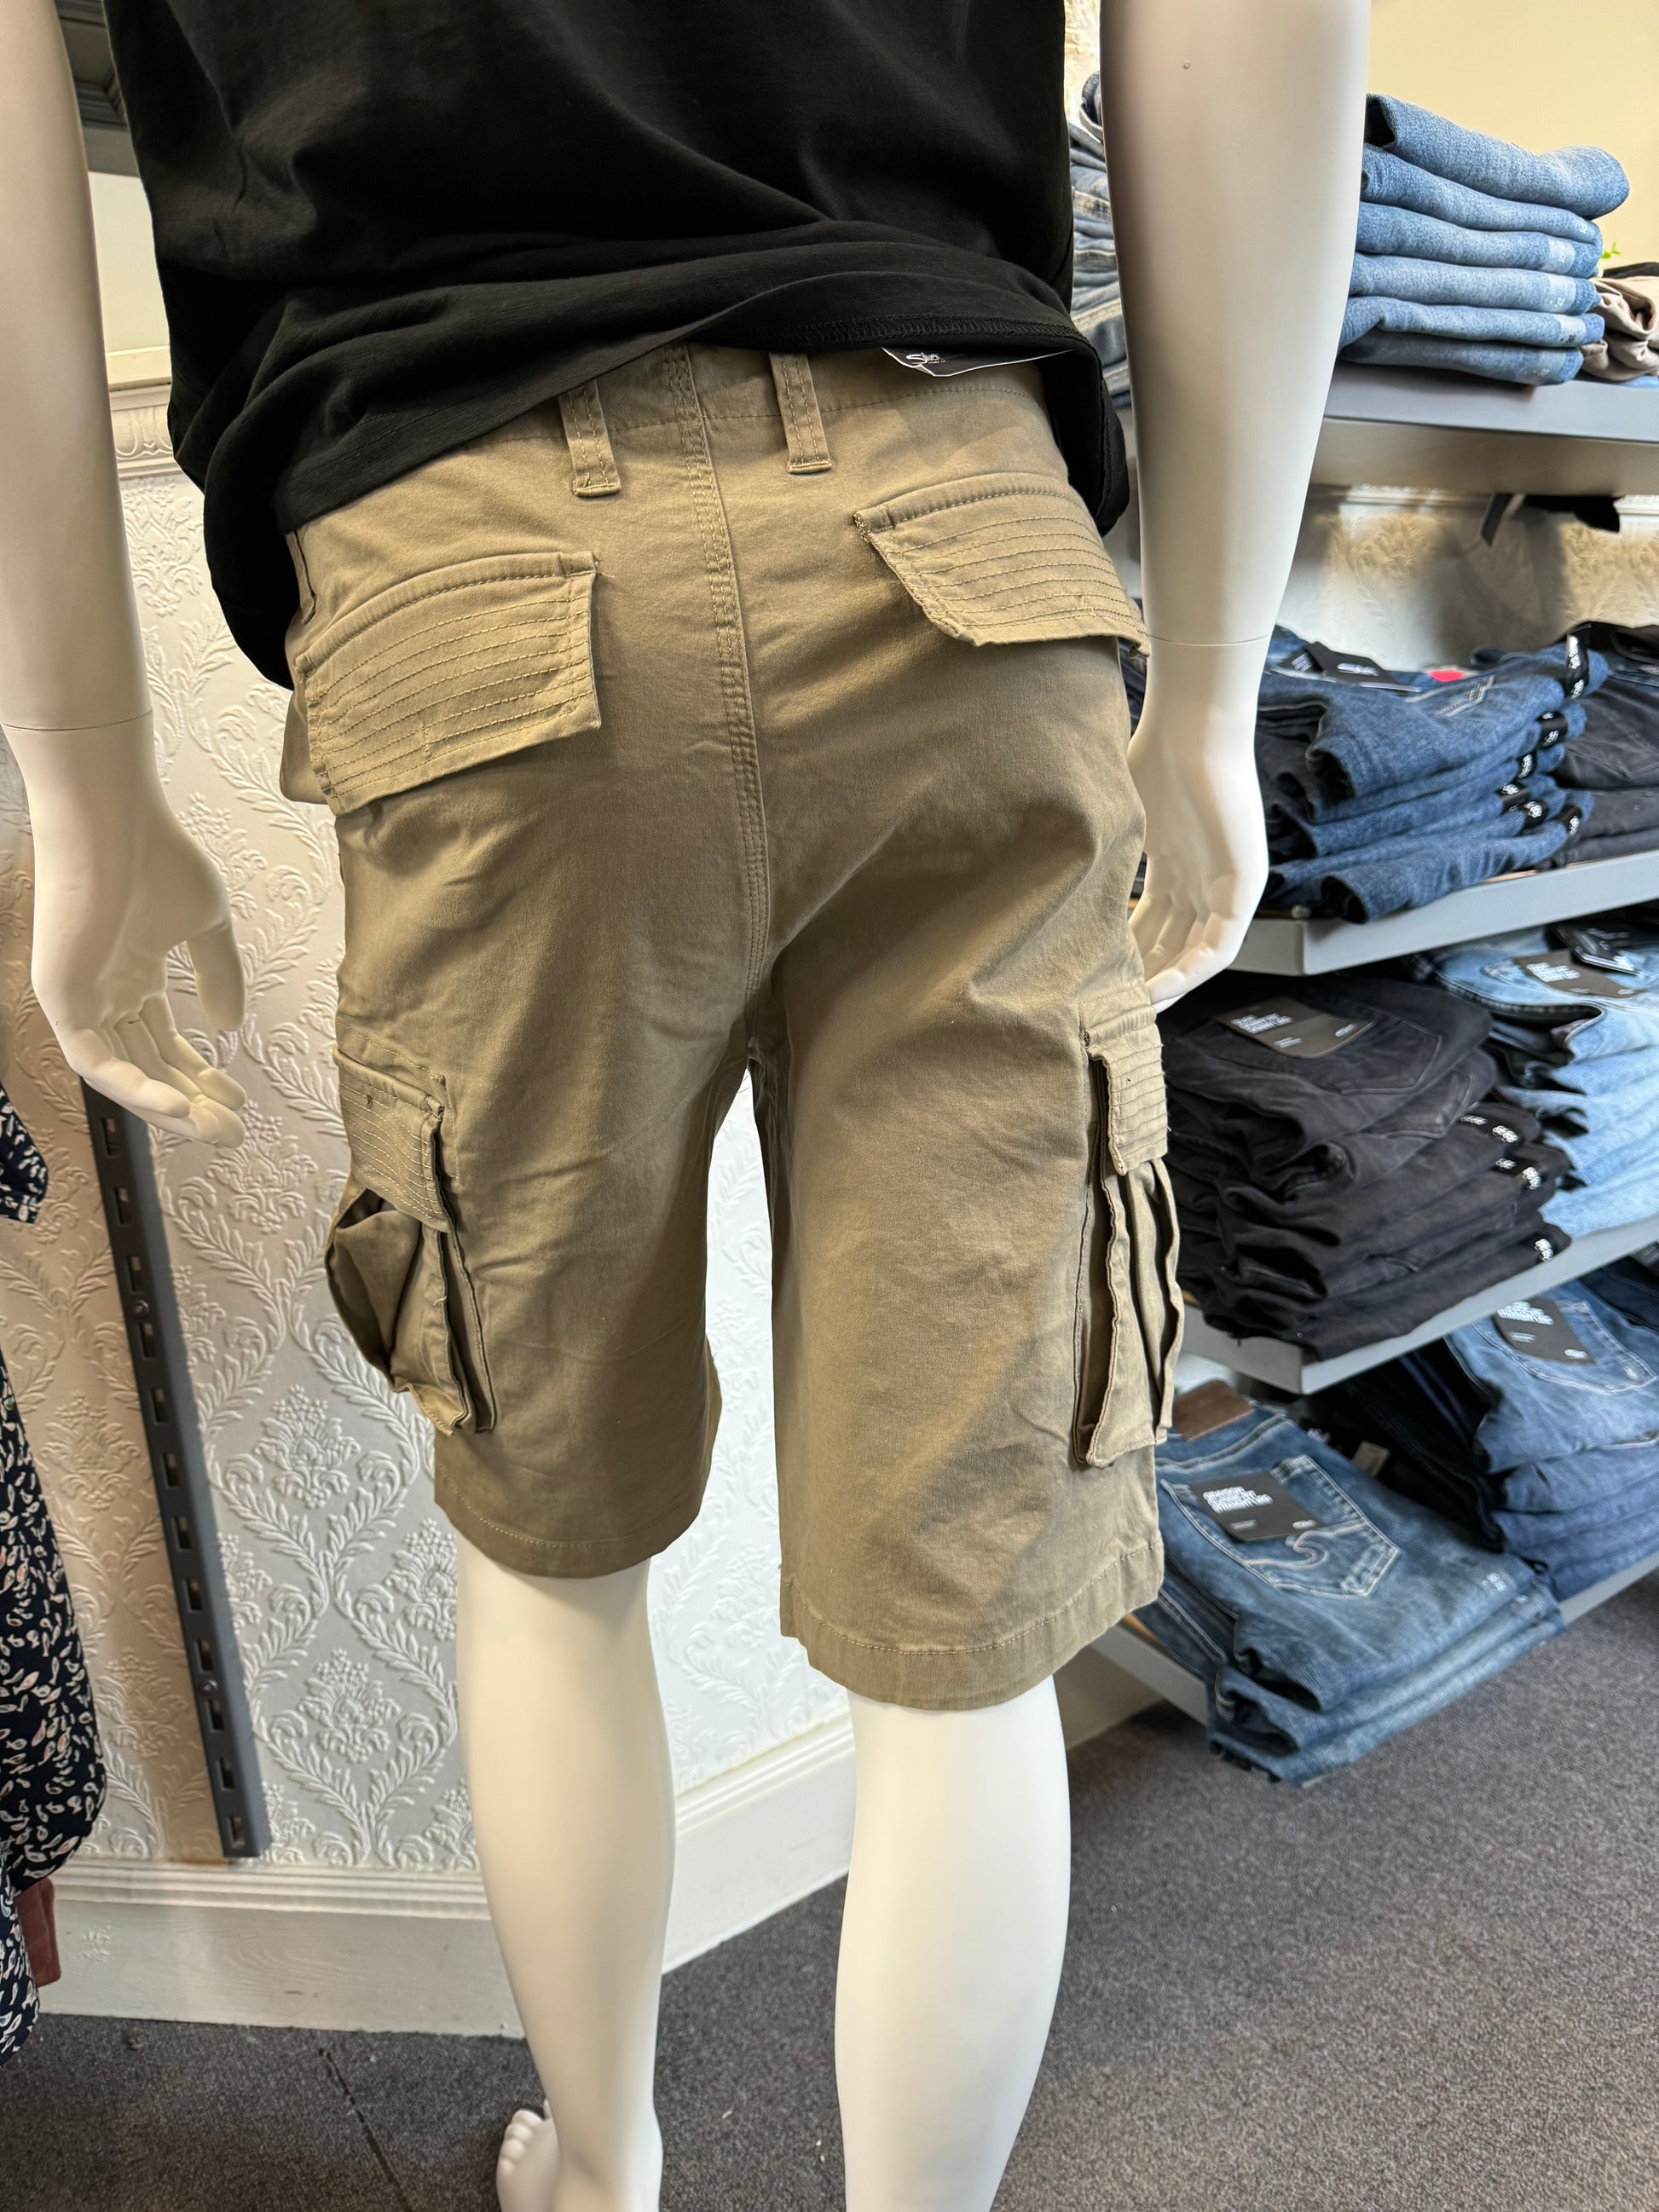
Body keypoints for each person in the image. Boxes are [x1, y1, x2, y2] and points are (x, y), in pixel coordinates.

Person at [0, 4, 1369, 2206]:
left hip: (464, 573)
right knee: (970, 1565)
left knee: (554, 1516)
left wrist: (83, 768)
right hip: (965, 544)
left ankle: (606, 2161)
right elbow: (1257, 27)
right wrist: (1207, 676)